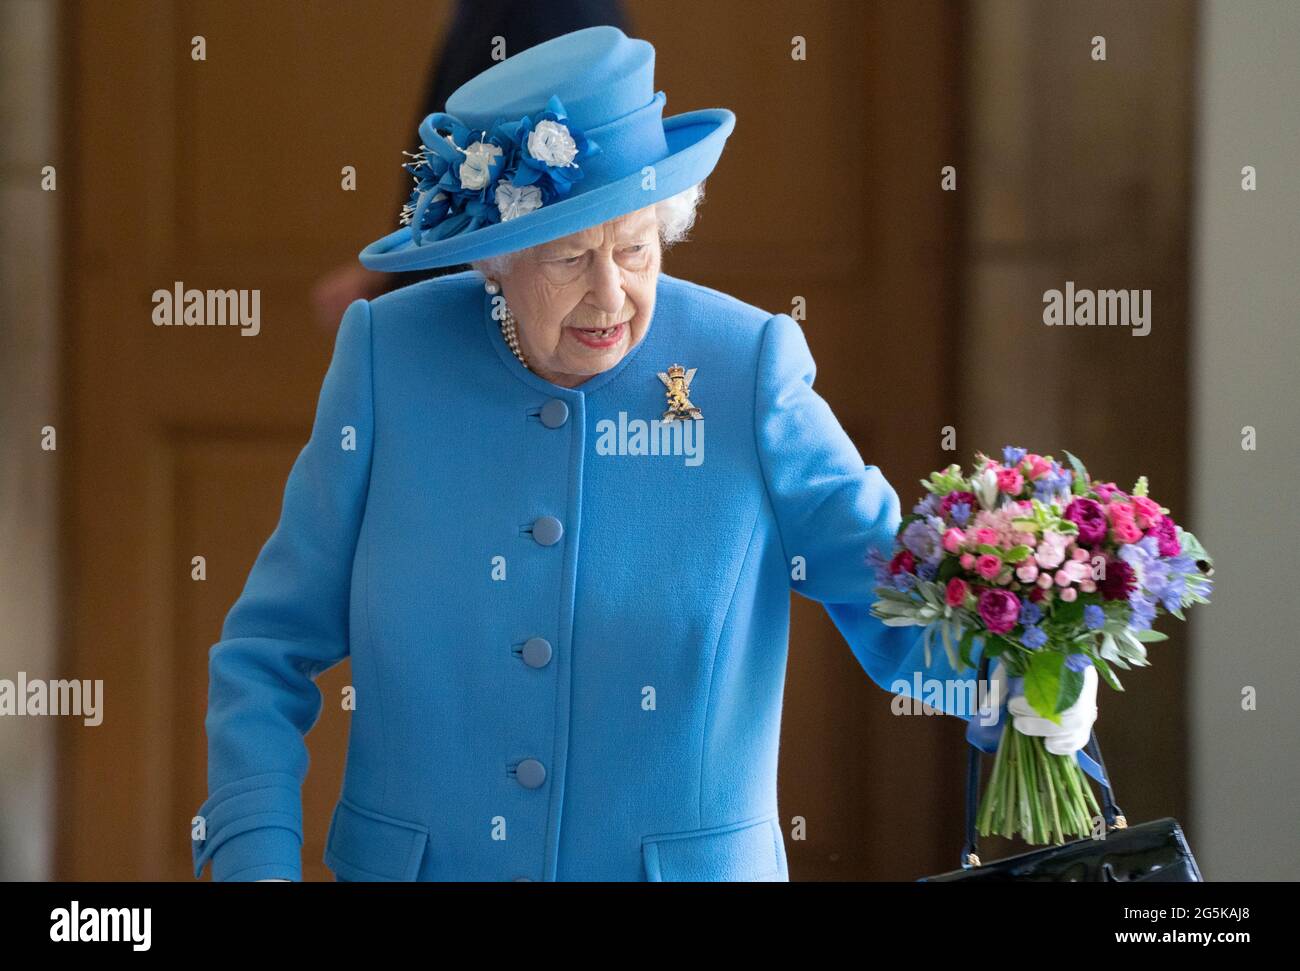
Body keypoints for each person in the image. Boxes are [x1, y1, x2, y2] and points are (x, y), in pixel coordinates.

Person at [192, 25, 1097, 883]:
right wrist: (255, 859)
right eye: (567, 258)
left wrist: (1024, 677)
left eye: (636, 248)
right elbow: (266, 651)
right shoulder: (391, 360)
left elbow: (888, 588)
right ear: (493, 262)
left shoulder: (747, 368)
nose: (609, 295)